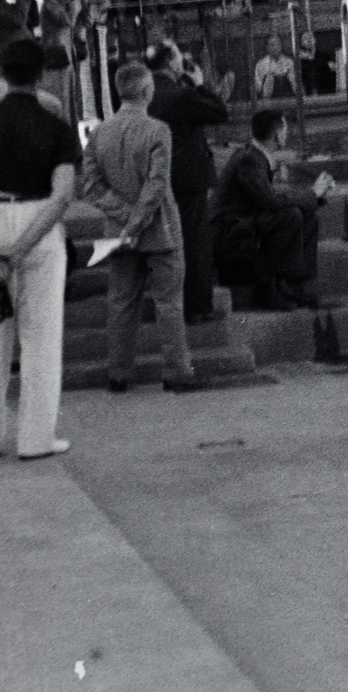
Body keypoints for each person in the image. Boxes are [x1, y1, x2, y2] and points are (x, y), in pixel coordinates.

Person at [82, 61, 201, 393]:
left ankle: (119, 373)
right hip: (159, 229)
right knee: (168, 301)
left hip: (117, 235)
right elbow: (157, 184)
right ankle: (177, 371)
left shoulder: (99, 133)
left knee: (121, 302)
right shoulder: (157, 130)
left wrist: (123, 218)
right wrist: (137, 220)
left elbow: (91, 187)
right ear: (147, 91)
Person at [0, 37, 79, 458]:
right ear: (41, 75)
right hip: (39, 223)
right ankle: (35, 439)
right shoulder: (56, 128)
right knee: (41, 340)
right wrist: (21, 247)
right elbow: (63, 195)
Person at [209, 108, 334, 310]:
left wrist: (314, 197)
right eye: (285, 130)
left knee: (307, 216)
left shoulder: (255, 154)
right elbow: (271, 201)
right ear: (277, 134)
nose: (287, 134)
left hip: (242, 223)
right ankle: (272, 289)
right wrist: (313, 194)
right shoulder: (249, 158)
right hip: (227, 230)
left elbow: (271, 198)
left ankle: (296, 285)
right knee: (289, 216)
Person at [147, 41, 229, 323]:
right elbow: (219, 112)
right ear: (171, 62)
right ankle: (197, 306)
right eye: (179, 57)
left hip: (158, 176)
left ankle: (177, 304)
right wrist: (199, 85)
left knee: (170, 242)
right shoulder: (179, 94)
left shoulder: (147, 93)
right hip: (188, 179)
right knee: (194, 243)